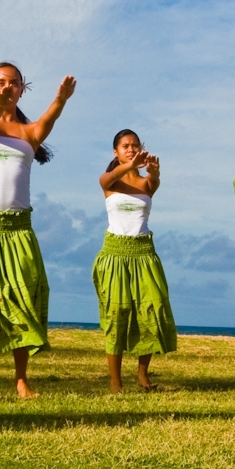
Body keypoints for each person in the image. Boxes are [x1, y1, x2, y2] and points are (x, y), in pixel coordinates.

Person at [0, 62, 74, 398]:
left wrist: (61, 99)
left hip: (19, 228)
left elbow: (47, 121)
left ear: (22, 89)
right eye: (0, 83)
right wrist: (1, 104)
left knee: (24, 298)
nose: (7, 87)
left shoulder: (28, 134)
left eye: (14, 83)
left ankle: (21, 380)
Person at [94, 129, 178, 391]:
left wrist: (153, 171)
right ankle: (116, 381)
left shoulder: (144, 184)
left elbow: (154, 181)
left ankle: (143, 375)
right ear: (115, 152)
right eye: (125, 145)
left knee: (151, 312)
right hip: (115, 254)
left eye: (134, 145)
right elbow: (106, 179)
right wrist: (130, 165)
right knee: (116, 315)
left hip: (144, 254)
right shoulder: (109, 182)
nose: (130, 148)